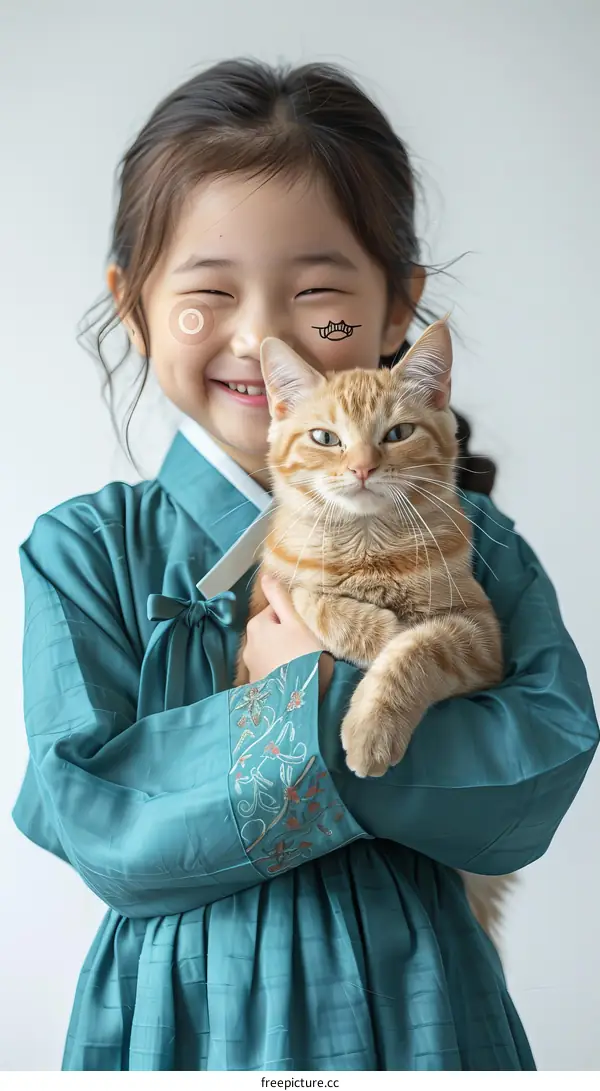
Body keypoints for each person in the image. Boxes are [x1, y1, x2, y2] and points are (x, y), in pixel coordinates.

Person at [13, 60, 597, 1072]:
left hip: (417, 999)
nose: (261, 334)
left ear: (397, 306)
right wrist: (316, 708)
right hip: (180, 1013)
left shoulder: (476, 538)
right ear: (134, 304)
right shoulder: (86, 550)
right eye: (207, 294)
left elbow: (540, 759)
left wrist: (321, 699)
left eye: (318, 295)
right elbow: (95, 815)